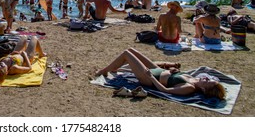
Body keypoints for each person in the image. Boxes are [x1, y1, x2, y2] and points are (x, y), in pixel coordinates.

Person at [95, 48, 225, 100]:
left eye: (207, 82)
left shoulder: (190, 88)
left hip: (149, 78)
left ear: (203, 88)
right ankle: (114, 68)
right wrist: (173, 71)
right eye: (209, 79)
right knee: (131, 50)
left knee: (126, 54)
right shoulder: (194, 79)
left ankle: (104, 71)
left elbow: (166, 90)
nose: (206, 78)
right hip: (158, 70)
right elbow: (174, 78)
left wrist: (151, 77)